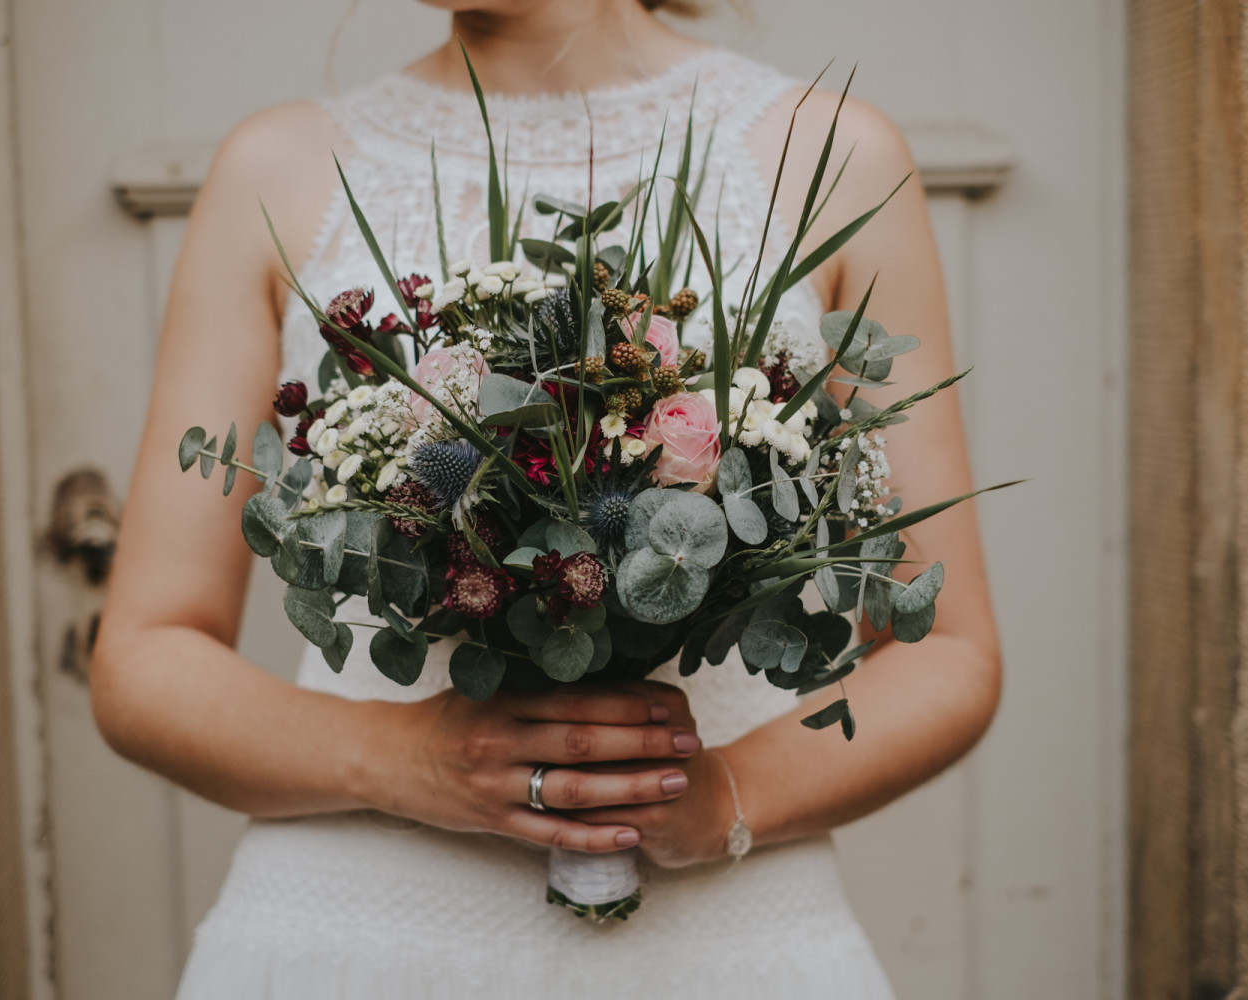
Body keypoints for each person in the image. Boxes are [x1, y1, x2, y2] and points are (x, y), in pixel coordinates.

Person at [90, 0, 1001, 995]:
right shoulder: (277, 169)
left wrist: (724, 797)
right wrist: (406, 760)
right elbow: (145, 660)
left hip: (724, 935)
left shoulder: (833, 154)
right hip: (358, 932)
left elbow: (945, 649)